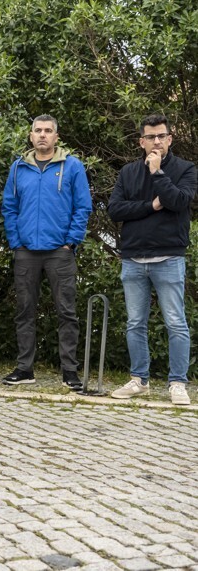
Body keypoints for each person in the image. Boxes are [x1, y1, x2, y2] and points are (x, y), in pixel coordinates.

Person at [108, 114, 195, 406]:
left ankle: (177, 383)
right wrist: (150, 206)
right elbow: (116, 210)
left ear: (170, 138)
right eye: (150, 137)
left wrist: (158, 174)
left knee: (175, 322)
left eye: (161, 136)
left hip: (169, 257)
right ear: (141, 141)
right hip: (133, 258)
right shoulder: (128, 172)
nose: (156, 142)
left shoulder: (185, 169)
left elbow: (179, 201)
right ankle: (139, 380)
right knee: (135, 323)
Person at [1, 115, 92, 389]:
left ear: (56, 136)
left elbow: (83, 206)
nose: (43, 135)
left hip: (59, 252)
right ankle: (25, 369)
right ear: (31, 136)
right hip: (26, 251)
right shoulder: (18, 168)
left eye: (48, 131)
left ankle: (69, 372)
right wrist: (16, 242)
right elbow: (9, 207)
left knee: (67, 312)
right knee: (24, 311)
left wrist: (71, 242)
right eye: (38, 131)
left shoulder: (72, 166)